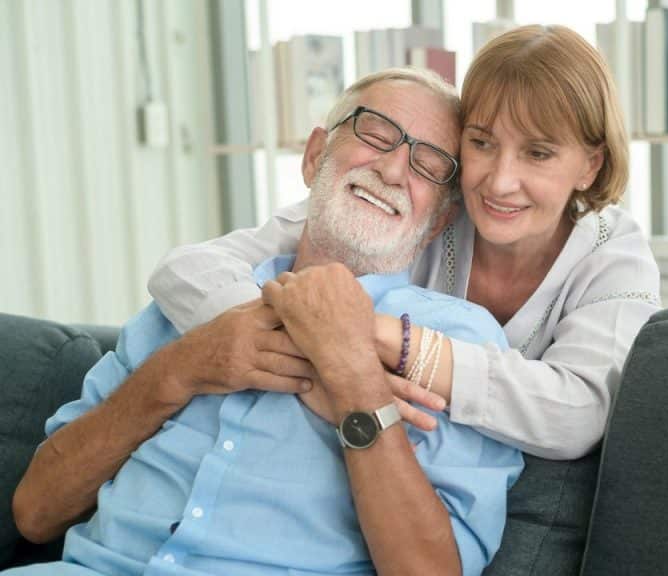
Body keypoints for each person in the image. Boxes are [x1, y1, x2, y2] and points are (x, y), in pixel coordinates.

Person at [9, 68, 522, 576]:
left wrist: (353, 378)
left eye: (429, 165)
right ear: (315, 156)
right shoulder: (197, 299)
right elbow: (35, 511)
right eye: (375, 134)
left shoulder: (457, 345)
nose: (392, 170)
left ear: (437, 222)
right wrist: (182, 367)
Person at [148, 25, 661, 460]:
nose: (501, 181)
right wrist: (323, 361)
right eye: (482, 142)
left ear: (590, 164)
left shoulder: (612, 255)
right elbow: (187, 270)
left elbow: (576, 416)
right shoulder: (425, 208)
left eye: (538, 154)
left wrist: (369, 338)